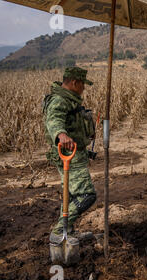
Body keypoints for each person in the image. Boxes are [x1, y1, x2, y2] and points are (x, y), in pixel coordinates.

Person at [43, 67, 97, 244]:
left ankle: (68, 230)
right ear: (75, 82)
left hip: (75, 153)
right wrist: (61, 134)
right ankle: (60, 230)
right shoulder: (59, 99)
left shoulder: (69, 99)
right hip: (69, 156)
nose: (84, 88)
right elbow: (54, 120)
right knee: (86, 195)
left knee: (71, 195)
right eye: (83, 84)